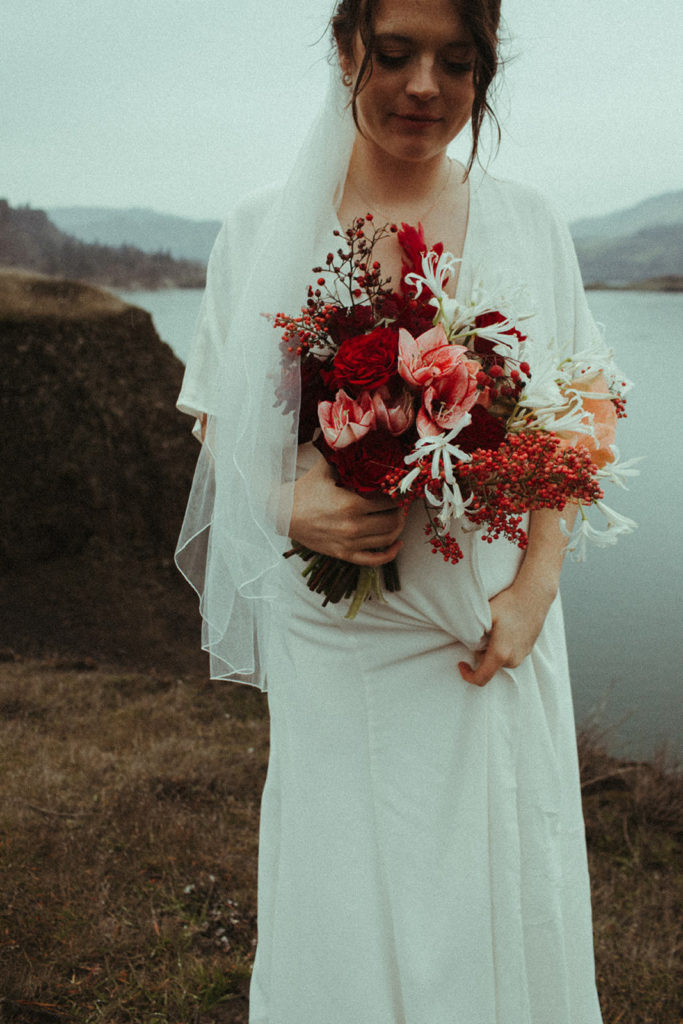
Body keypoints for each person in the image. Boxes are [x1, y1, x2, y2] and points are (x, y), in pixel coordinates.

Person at [176, 1, 609, 1020]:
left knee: (494, 888)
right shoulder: (261, 227)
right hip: (337, 633)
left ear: (482, 72)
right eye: (396, 53)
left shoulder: (528, 221)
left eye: (455, 62)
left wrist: (536, 589)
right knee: (343, 887)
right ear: (344, 51)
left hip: (488, 626)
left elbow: (583, 411)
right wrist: (287, 504)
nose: (424, 86)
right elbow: (220, 419)